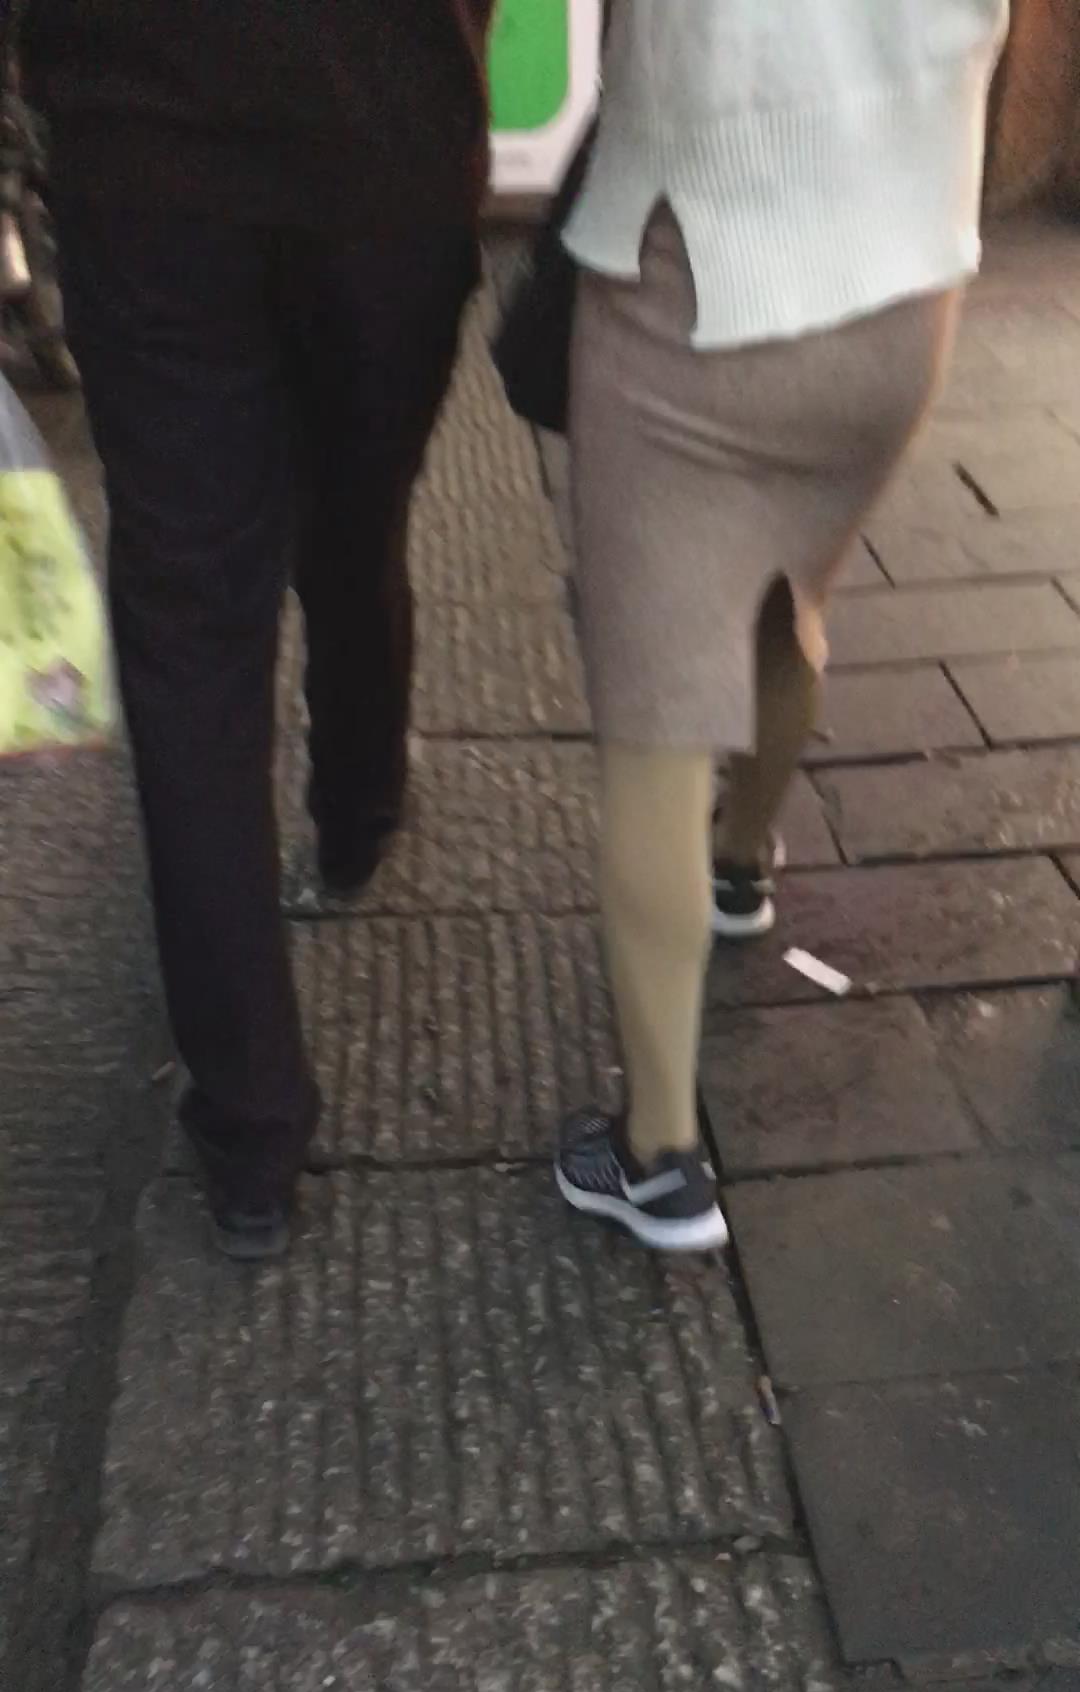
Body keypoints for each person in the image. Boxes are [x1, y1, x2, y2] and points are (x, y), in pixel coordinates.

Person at [20, 0, 497, 1257]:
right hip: (393, 141)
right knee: (358, 513)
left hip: (141, 156)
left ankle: (249, 1132)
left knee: (189, 629)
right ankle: (357, 807)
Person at [554, 0, 1010, 1252]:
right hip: (905, 297)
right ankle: (743, 859)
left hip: (692, 285)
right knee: (792, 588)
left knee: (655, 709)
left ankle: (657, 1153)